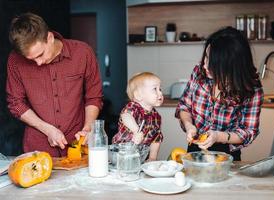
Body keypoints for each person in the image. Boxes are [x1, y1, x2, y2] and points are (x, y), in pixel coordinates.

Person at [6, 12, 103, 157]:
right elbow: (15, 103)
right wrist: (47, 129)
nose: (38, 63)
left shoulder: (83, 53)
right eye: (31, 60)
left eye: (40, 55)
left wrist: (88, 128)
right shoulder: (15, 61)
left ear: (50, 38)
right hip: (37, 148)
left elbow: (94, 96)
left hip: (79, 145)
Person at [175, 27, 264, 161]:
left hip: (227, 155)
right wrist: (189, 125)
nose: (204, 65)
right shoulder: (200, 72)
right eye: (205, 57)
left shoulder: (251, 89)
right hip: (194, 149)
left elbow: (248, 131)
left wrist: (217, 136)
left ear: (230, 66)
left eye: (211, 62)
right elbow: (184, 106)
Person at [112, 72, 164, 161]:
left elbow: (156, 138)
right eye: (155, 89)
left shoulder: (156, 117)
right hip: (122, 154)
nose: (160, 93)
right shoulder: (133, 107)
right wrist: (136, 131)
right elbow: (126, 116)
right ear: (138, 95)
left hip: (141, 157)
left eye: (160, 89)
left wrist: (152, 157)